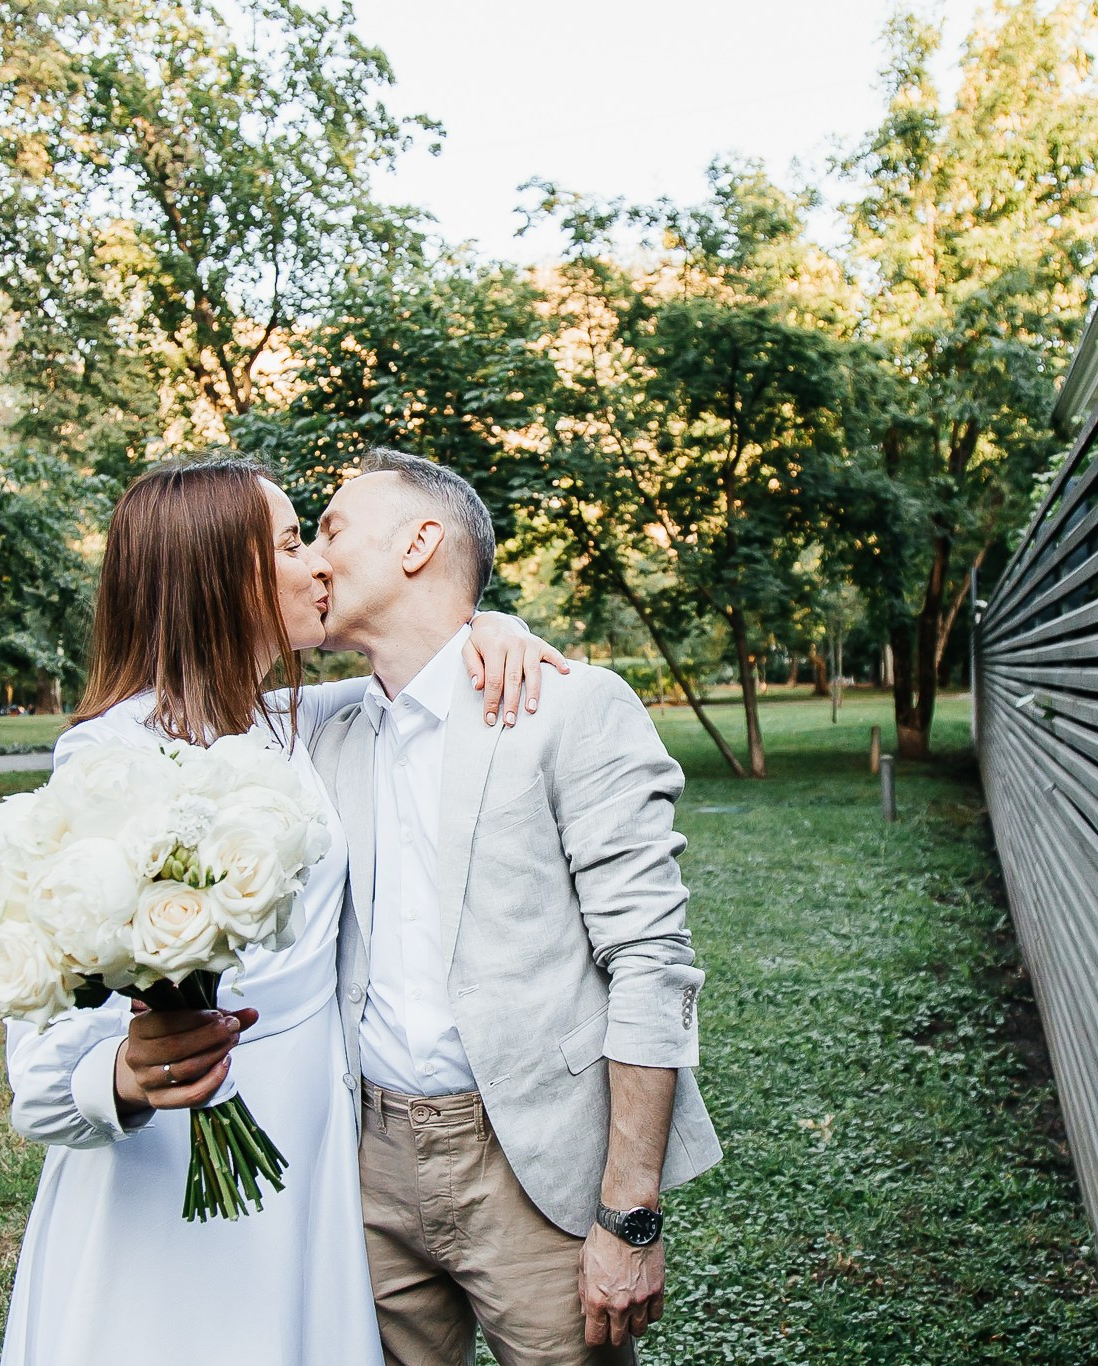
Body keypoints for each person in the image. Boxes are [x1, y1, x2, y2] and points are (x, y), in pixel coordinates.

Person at [0, 455, 565, 1366]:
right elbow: (42, 1073)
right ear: (221, 575)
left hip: (313, 1128)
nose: (319, 565)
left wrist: (493, 626)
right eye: (295, 543)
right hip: (178, 1151)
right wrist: (131, 1075)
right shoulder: (109, 759)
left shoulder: (294, 720)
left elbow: (425, 669)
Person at [310, 448, 720, 1365]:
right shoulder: (324, 727)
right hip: (367, 1170)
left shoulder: (570, 707)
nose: (312, 558)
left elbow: (651, 963)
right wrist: (486, 622)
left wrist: (630, 1213)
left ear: (418, 543)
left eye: (331, 529)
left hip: (533, 1164)